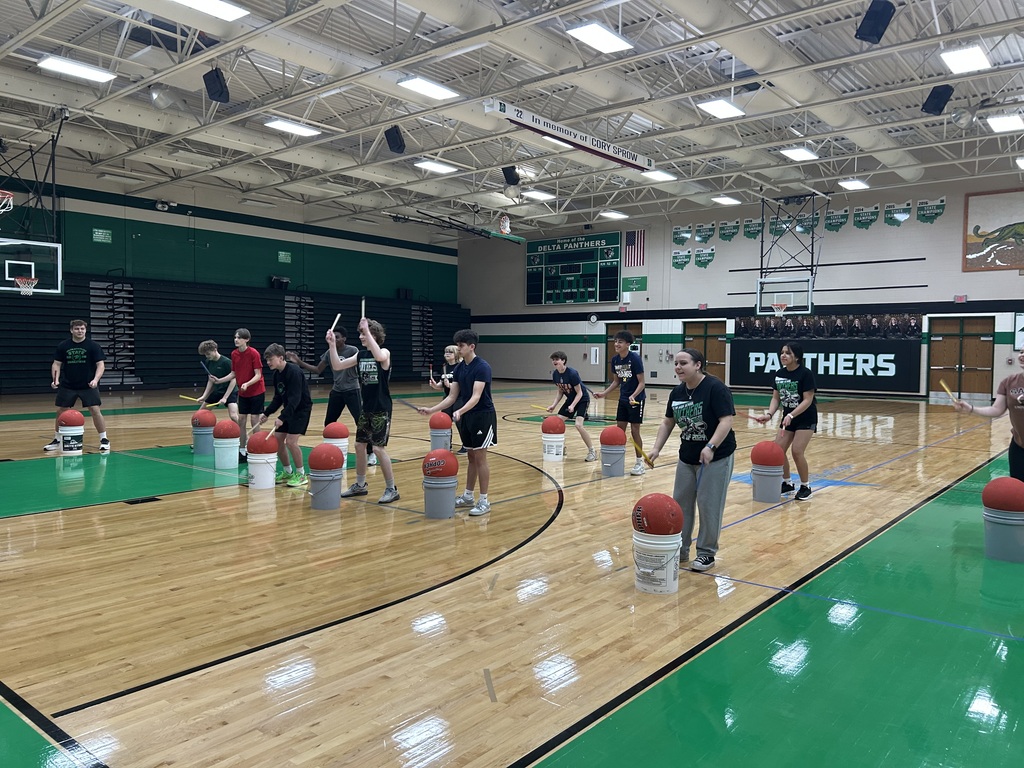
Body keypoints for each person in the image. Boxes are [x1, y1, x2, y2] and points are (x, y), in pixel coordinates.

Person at [648, 348, 736, 572]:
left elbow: (726, 421)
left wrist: (710, 446)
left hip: (716, 457)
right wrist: (656, 448)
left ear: (698, 365)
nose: (678, 367)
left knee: (709, 506)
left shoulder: (715, 388)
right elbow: (668, 422)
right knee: (680, 506)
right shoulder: (677, 393)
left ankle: (706, 553)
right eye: (676, 363)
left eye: (683, 363)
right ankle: (681, 549)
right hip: (687, 457)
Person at [418, 329, 497, 516]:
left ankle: (484, 500)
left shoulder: (482, 367)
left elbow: (477, 396)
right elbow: (452, 396)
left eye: (461, 346)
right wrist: (432, 409)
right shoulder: (460, 369)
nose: (458, 349)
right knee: (470, 457)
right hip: (467, 416)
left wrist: (460, 410)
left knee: (480, 458)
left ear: (471, 346)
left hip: (482, 416)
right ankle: (468, 496)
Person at [329, 318, 400, 504]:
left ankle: (391, 489)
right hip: (366, 407)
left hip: (381, 408)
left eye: (364, 334)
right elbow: (337, 365)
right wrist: (331, 345)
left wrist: (367, 330)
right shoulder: (360, 355)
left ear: (374, 335)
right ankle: (360, 485)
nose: (360, 337)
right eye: (361, 334)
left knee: (377, 448)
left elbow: (380, 358)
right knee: (359, 446)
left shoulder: (384, 352)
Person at [754, 341, 818, 500]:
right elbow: (776, 398)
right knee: (778, 450)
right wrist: (769, 414)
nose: (783, 355)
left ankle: (805, 486)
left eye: (788, 353)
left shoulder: (805, 374)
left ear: (797, 357)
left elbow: (807, 400)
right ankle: (787, 482)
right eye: (782, 352)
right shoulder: (779, 374)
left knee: (797, 451)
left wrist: (791, 415)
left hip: (805, 417)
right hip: (788, 418)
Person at [953, 347, 1024, 482]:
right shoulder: (1009, 382)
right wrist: (971, 408)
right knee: (1019, 490)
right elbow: (997, 409)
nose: (1022, 355)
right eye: (1021, 352)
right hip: (1018, 447)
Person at [45, 319, 110, 452]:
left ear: (85, 330)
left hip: (88, 385)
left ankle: (104, 439)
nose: (79, 331)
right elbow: (56, 364)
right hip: (68, 384)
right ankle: (57, 439)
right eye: (77, 329)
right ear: (71, 330)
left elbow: (100, 365)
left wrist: (95, 380)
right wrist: (55, 379)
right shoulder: (63, 346)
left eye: (82, 329)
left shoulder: (93, 346)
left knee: (95, 410)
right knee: (61, 411)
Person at [259, 344, 313, 487]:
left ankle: (301, 475)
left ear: (281, 358)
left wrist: (282, 418)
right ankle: (287, 471)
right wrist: (266, 413)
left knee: (291, 442)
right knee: (278, 440)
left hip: (301, 410)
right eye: (267, 360)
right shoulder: (277, 374)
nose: (268, 363)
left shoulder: (294, 372)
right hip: (289, 409)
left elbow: (295, 399)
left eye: (270, 359)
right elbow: (278, 398)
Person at [594, 330, 647, 475]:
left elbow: (642, 383)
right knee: (619, 430)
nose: (616, 344)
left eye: (620, 342)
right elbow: (616, 381)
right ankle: (617, 460)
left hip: (636, 400)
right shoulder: (615, 360)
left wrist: (634, 395)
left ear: (628, 344)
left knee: (635, 431)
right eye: (615, 341)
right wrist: (604, 393)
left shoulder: (634, 359)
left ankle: (639, 463)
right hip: (623, 399)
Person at [287, 326, 361, 430]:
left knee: (360, 421)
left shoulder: (353, 350)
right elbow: (318, 369)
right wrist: (299, 362)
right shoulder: (329, 353)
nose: (334, 339)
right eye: (333, 337)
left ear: (344, 339)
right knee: (329, 422)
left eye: (337, 337)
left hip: (352, 390)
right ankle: (330, 444)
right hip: (337, 391)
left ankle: (369, 445)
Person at [213, 328, 265, 462]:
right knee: (241, 420)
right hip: (243, 393)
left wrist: (247, 383)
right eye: (235, 337)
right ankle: (242, 450)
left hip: (257, 391)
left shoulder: (254, 353)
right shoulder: (234, 354)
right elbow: (233, 374)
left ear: (246, 340)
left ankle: (258, 447)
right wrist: (219, 380)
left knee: (254, 420)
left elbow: (258, 375)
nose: (236, 340)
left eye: (239, 338)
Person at [546, 351, 597, 462]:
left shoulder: (572, 373)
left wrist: (573, 405)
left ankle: (592, 451)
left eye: (557, 359)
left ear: (563, 360)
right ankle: (561, 447)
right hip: (570, 400)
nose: (554, 361)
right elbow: (560, 391)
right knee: (558, 422)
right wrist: (553, 405)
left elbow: (579, 393)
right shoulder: (555, 374)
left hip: (582, 400)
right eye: (553, 359)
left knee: (578, 425)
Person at [428, 344, 464, 452]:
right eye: (446, 352)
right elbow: (442, 384)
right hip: (447, 398)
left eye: (450, 352)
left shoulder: (460, 367)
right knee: (445, 421)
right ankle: (447, 445)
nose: (447, 354)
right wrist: (435, 385)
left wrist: (450, 385)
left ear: (456, 354)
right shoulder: (445, 367)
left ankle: (466, 445)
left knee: (460, 422)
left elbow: (463, 384)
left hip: (460, 398)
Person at [196, 340, 238, 425]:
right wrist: (204, 396)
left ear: (215, 349)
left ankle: (244, 435)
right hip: (218, 391)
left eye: (208, 354)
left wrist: (225, 397)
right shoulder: (208, 362)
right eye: (205, 354)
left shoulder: (226, 362)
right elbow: (210, 380)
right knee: (200, 413)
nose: (207, 356)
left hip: (230, 391)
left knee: (233, 416)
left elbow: (234, 379)